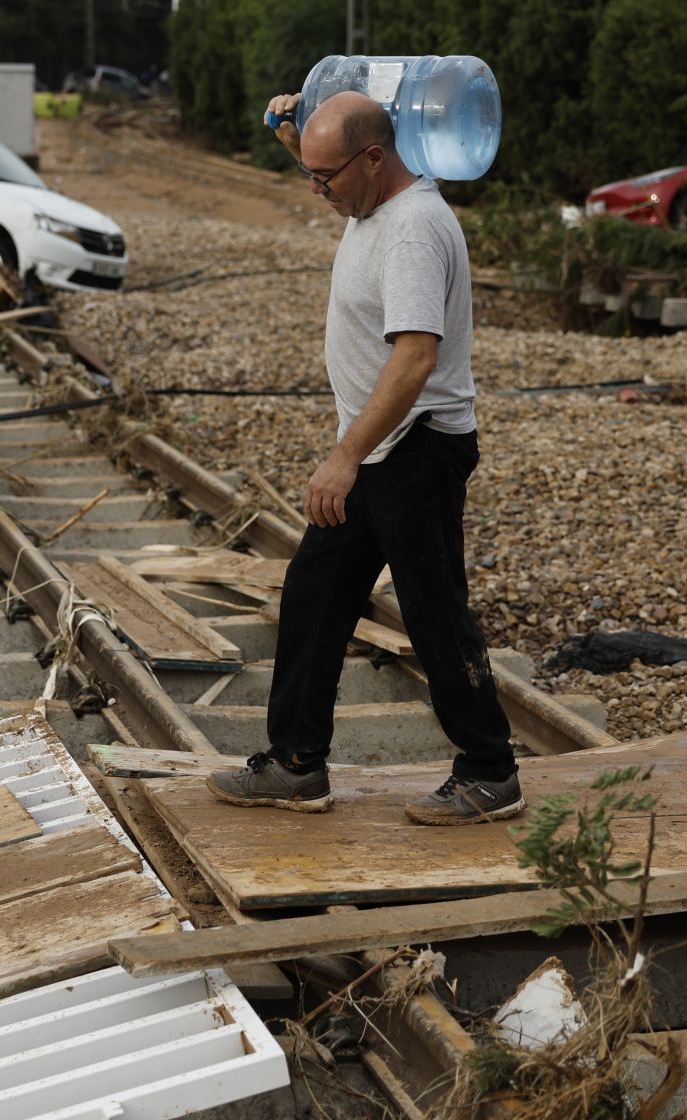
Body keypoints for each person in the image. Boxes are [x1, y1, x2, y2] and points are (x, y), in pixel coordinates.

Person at [207, 89, 523, 826]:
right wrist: (299, 141)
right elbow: (338, 177)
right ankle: (296, 765)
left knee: (434, 613)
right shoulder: (372, 199)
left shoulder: (414, 229)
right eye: (309, 174)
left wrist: (344, 456)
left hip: (415, 451)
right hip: (379, 451)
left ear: (375, 159)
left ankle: (490, 771)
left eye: (327, 177)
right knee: (315, 596)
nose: (317, 191)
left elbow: (414, 359)